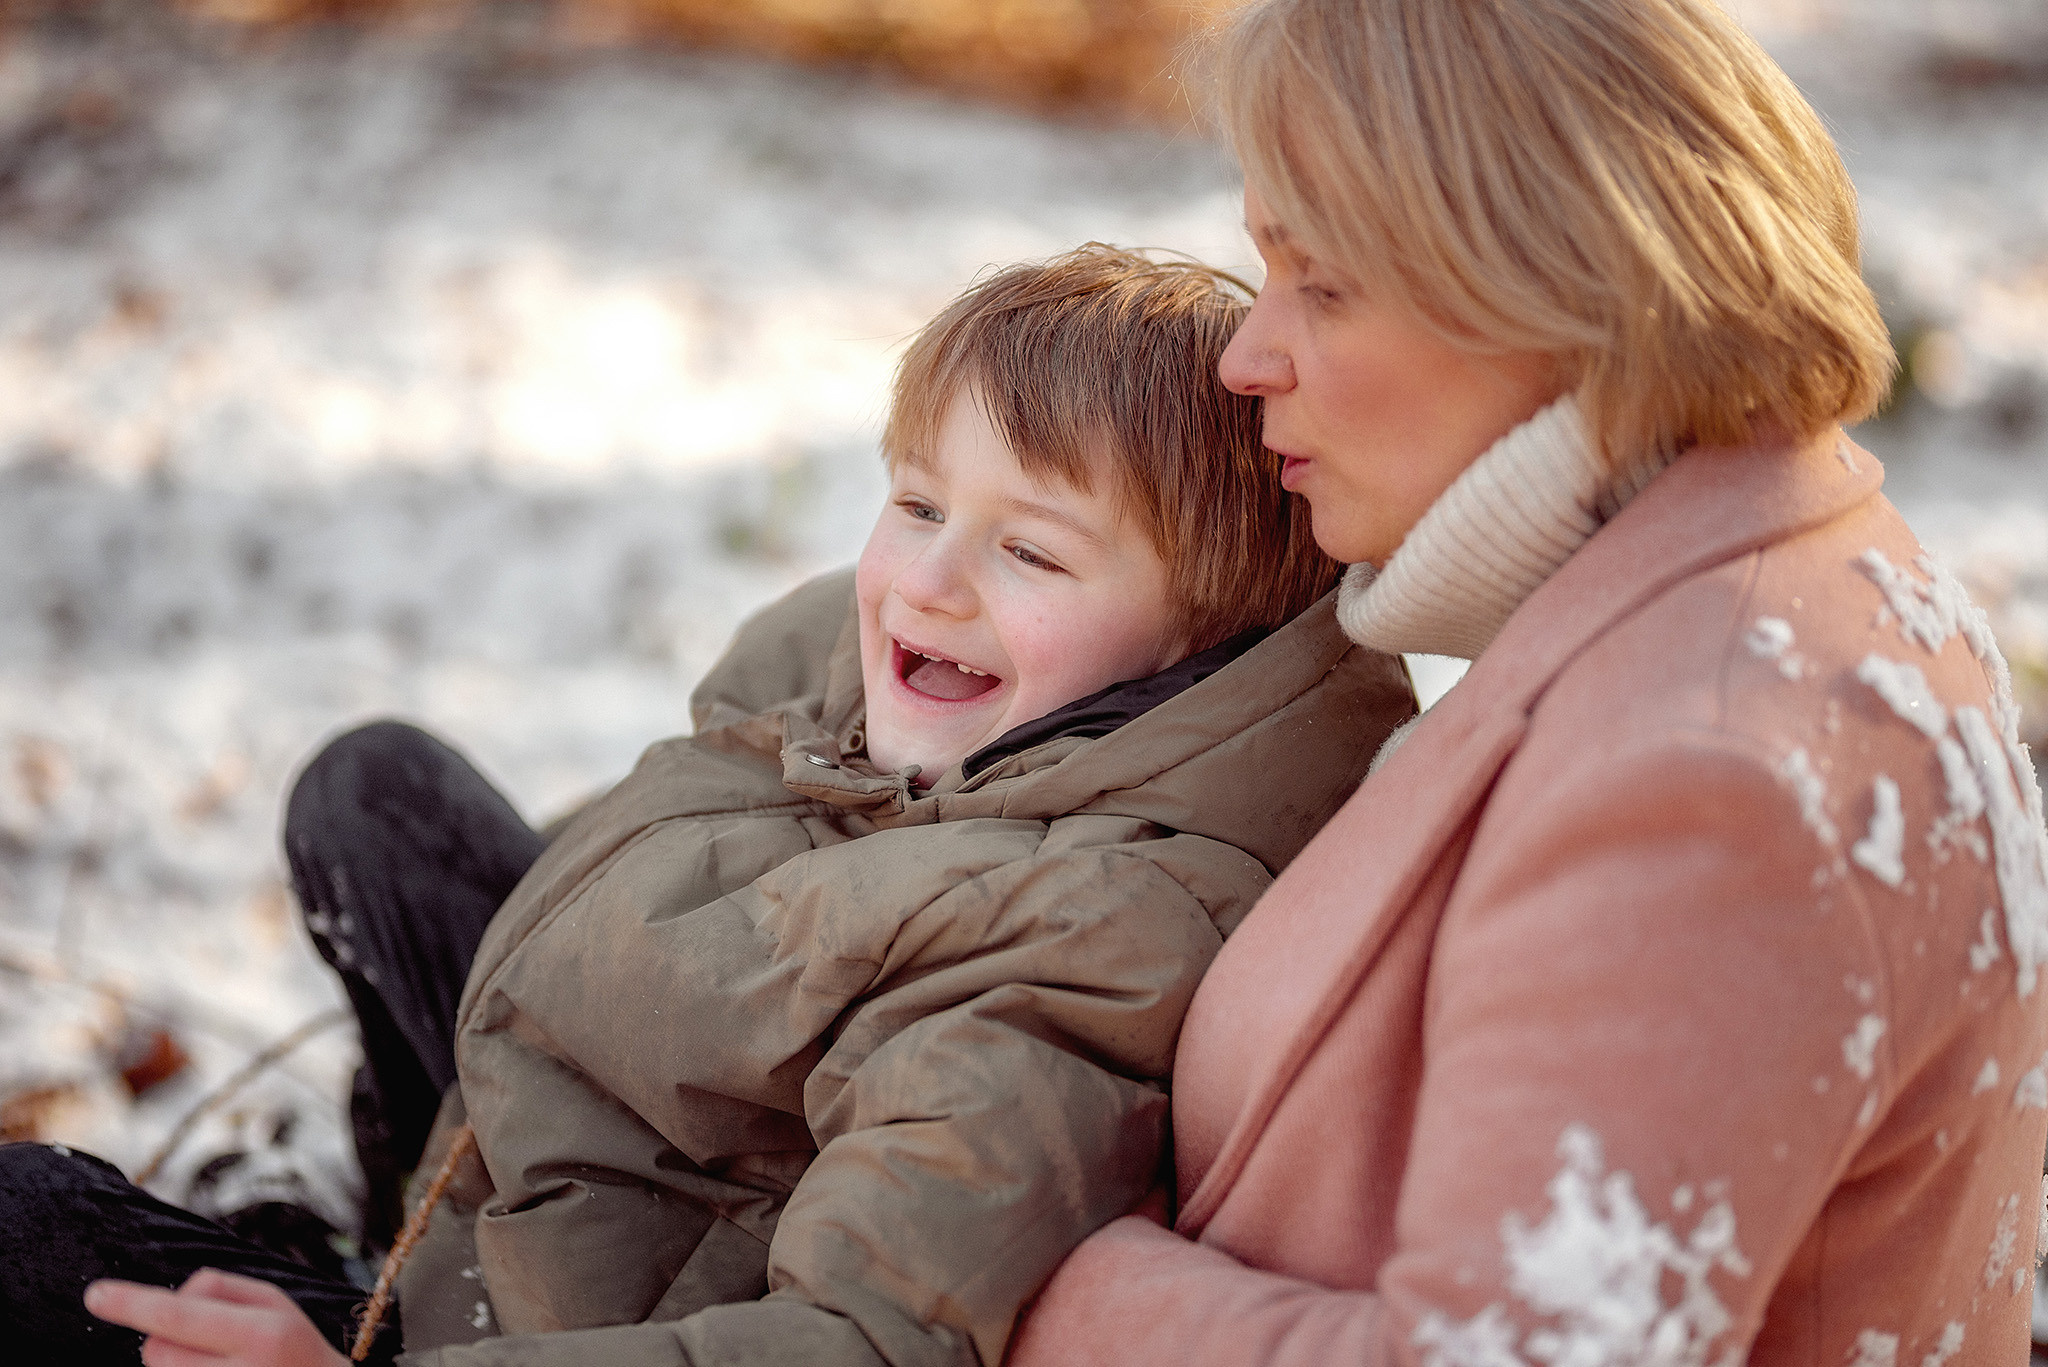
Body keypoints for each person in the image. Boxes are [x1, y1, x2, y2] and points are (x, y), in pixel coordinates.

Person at [3, 244, 1417, 1365]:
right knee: (372, 797)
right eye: (919, 504)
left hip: (565, 1327)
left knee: (31, 1234)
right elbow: (657, 861)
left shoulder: (1091, 938)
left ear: (1201, 643)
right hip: (547, 1165)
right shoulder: (876, 700)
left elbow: (855, 1339)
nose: (928, 582)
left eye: (1033, 554)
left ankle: (352, 1290)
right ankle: (378, 1205)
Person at [1004, 2, 2048, 1363]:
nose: (1245, 357)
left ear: (1559, 293)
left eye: (1320, 284)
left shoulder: (1706, 773)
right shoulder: (1751, 591)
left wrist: (1032, 1285)